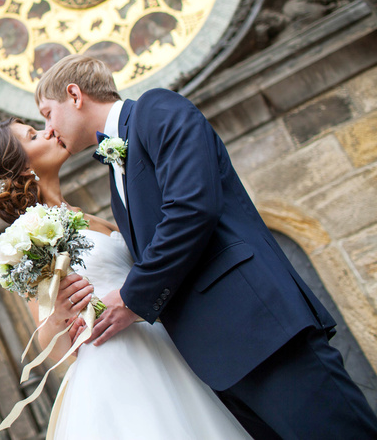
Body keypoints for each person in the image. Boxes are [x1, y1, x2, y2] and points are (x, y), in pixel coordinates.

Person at [35, 54, 377, 439]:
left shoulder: (157, 108)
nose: (49, 129)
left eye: (48, 113)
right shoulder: (116, 177)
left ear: (74, 94)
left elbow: (192, 208)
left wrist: (130, 299)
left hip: (259, 328)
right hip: (216, 363)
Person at [0, 117, 252, 438]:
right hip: (117, 363)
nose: (50, 130)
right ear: (22, 167)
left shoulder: (87, 216)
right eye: (34, 135)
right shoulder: (29, 237)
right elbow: (50, 342)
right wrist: (60, 315)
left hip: (165, 347)